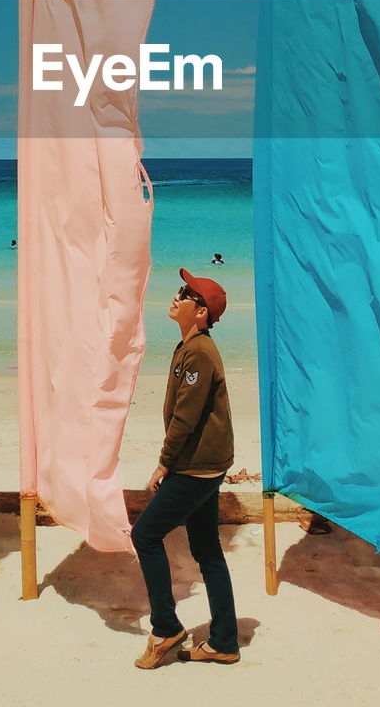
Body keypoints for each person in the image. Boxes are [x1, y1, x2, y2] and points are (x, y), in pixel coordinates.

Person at [131, 267, 239, 670]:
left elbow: (185, 418)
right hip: (203, 463)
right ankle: (224, 640)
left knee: (145, 534)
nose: (177, 297)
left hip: (197, 466)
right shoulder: (189, 348)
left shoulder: (199, 353)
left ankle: (165, 629)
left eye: (186, 294)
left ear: (201, 313)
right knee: (208, 550)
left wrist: (163, 463)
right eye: (179, 290)